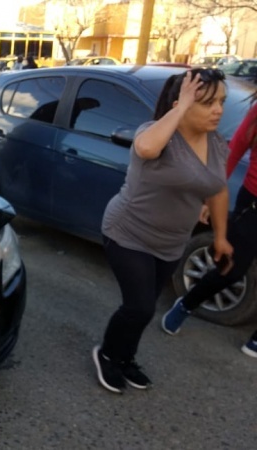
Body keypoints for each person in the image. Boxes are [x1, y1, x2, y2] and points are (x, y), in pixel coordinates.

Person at [93, 68, 233, 394]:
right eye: (208, 103)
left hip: (170, 243)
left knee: (145, 308)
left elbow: (217, 190)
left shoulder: (216, 143)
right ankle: (107, 354)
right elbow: (144, 149)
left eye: (222, 102)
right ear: (179, 104)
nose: (218, 110)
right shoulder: (156, 134)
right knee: (139, 306)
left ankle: (126, 358)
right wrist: (181, 108)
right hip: (128, 233)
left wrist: (222, 238)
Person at [161, 74, 257, 359]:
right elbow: (234, 150)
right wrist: (210, 195)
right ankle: (186, 304)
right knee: (232, 268)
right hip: (253, 204)